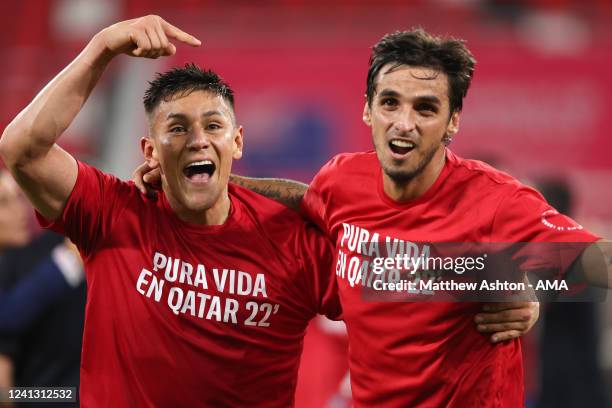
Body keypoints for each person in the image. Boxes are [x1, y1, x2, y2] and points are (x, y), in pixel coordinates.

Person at [134, 29, 609, 406]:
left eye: (426, 108)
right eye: (390, 103)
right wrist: (218, 182)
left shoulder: (496, 200)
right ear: (367, 109)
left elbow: (597, 267)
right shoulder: (342, 178)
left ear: (453, 122)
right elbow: (308, 199)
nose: (404, 122)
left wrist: (508, 280)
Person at [0, 15, 344, 406]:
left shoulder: (289, 240)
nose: (197, 140)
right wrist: (102, 47)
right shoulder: (113, 212)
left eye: (213, 126)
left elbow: (417, 284)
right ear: (149, 151)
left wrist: (330, 199)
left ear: (237, 142)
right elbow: (22, 150)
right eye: (178, 128)